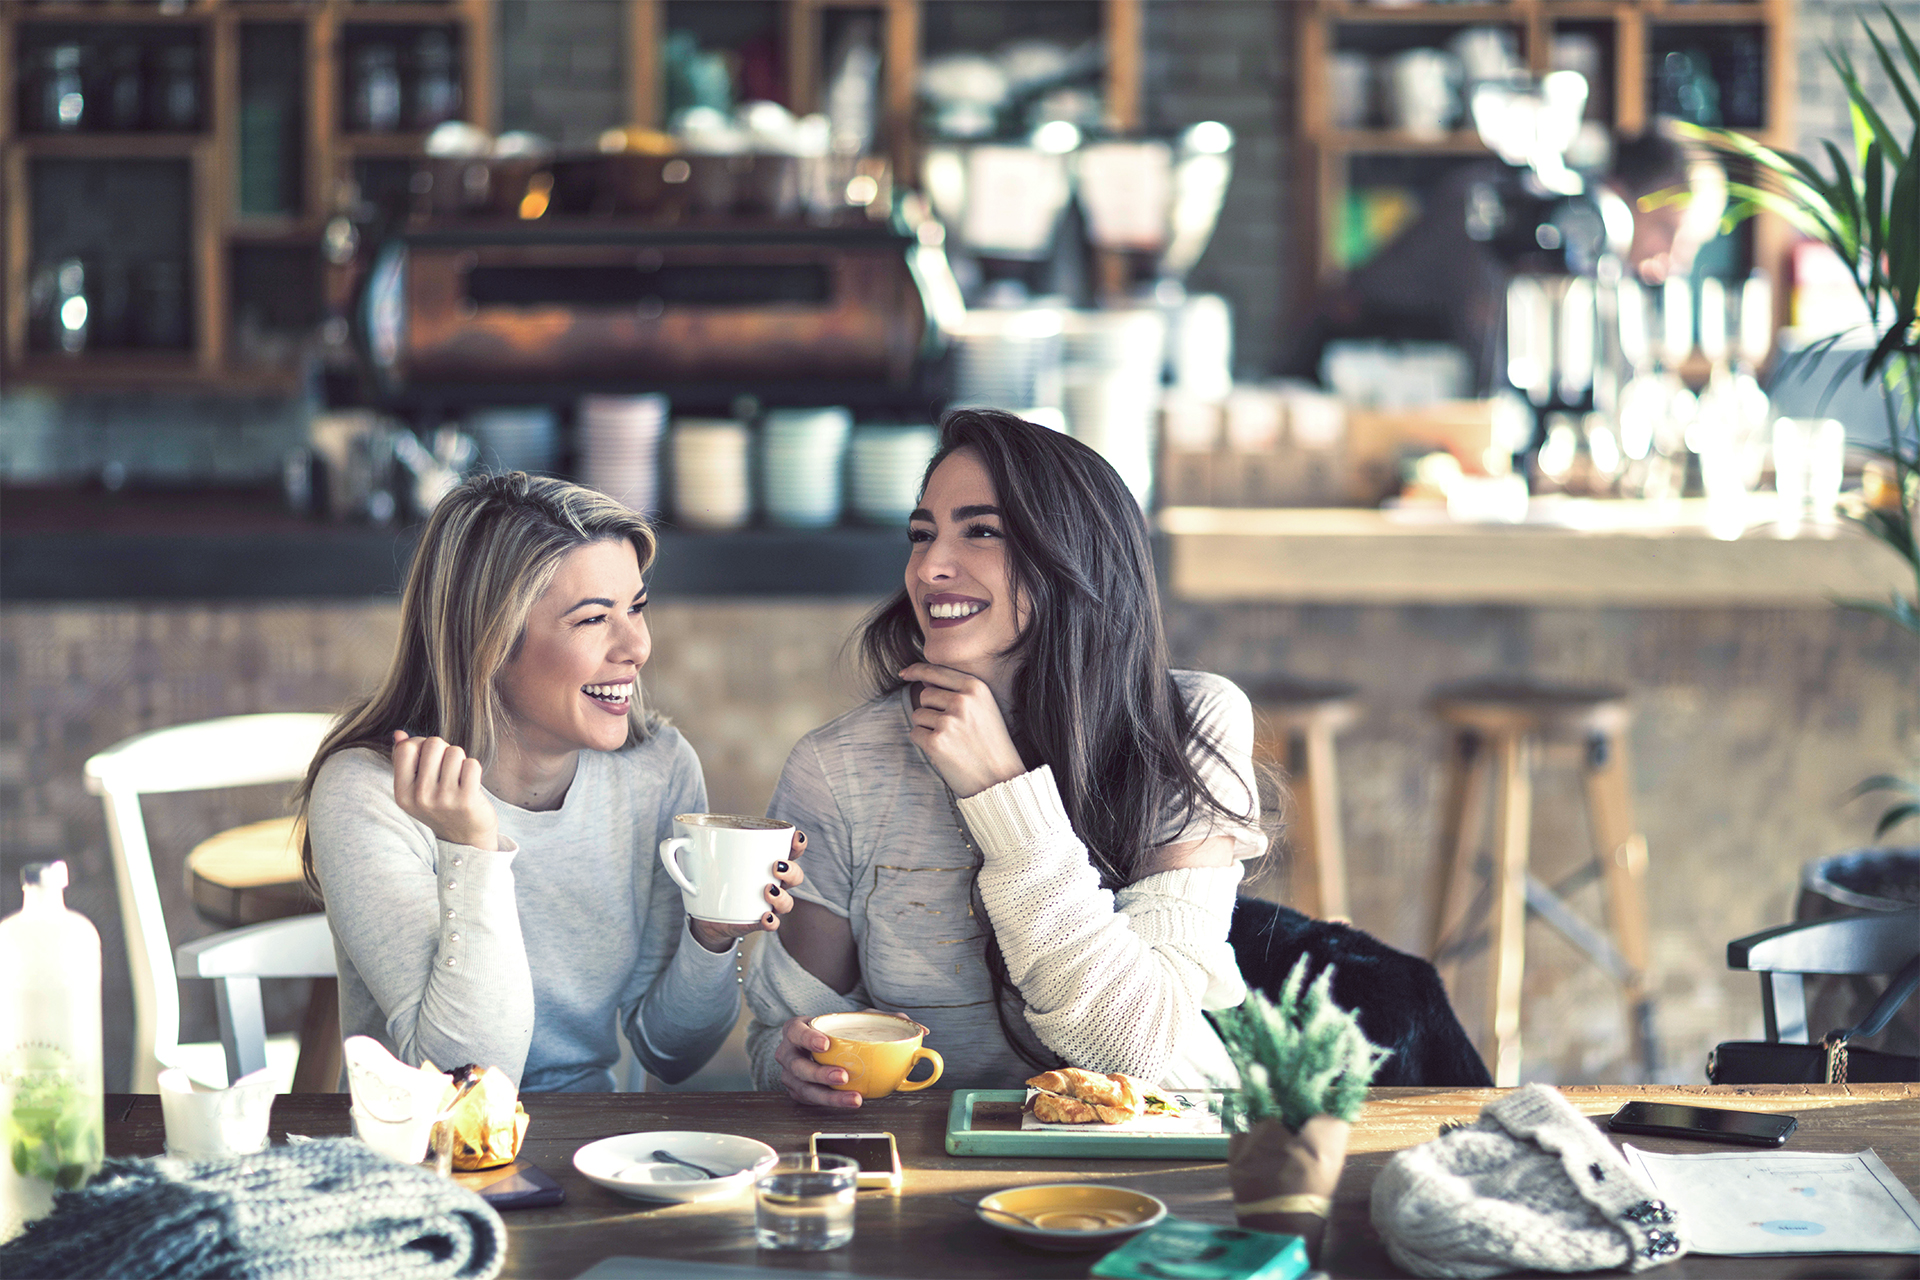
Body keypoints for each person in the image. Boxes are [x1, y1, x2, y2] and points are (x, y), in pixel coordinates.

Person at [746, 408, 1266, 1106]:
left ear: (1074, 557)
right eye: (922, 534)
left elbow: (1141, 1048)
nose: (930, 567)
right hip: (929, 1166)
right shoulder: (838, 768)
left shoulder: (1188, 725)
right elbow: (779, 1037)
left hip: (1158, 1164)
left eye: (981, 531)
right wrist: (793, 1065)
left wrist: (1001, 791)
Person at [298, 472, 804, 1091]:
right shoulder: (373, 792)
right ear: (487, 640)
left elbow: (673, 1054)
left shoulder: (657, 770)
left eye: (636, 607)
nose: (637, 646)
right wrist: (473, 850)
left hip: (594, 1152)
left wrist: (711, 936)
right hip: (428, 1156)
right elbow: (469, 1077)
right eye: (593, 619)